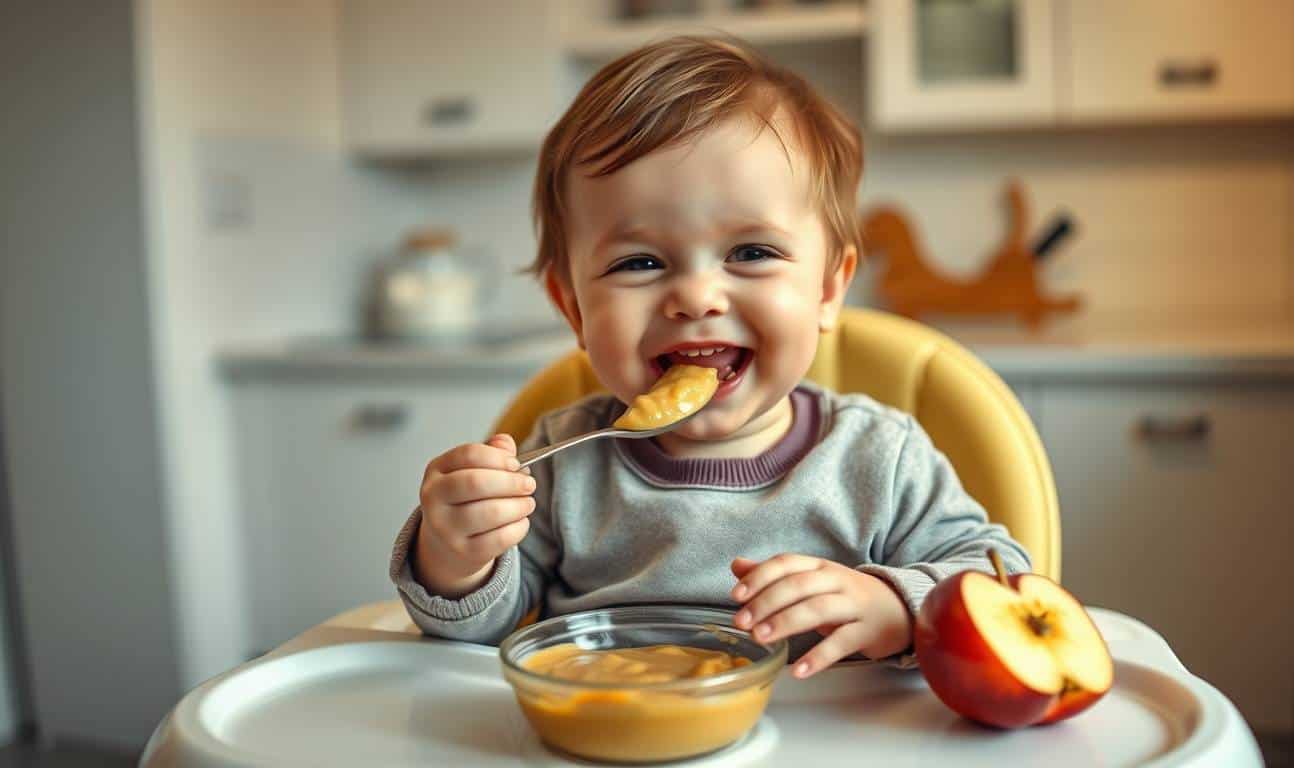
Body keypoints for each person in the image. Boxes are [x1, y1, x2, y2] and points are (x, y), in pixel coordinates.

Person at [389, 35, 1031, 679]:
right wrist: (454, 557)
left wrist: (895, 606)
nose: (696, 296)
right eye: (639, 262)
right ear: (574, 309)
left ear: (829, 288)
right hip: (608, 729)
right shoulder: (560, 463)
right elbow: (478, 629)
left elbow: (1004, 581)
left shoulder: (879, 461)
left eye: (750, 252)